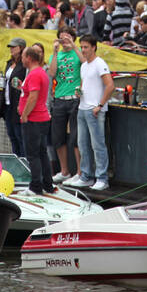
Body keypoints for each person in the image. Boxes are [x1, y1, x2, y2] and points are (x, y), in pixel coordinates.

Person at [68, 35, 114, 191]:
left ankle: (102, 178)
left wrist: (100, 105)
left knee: (98, 145)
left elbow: (110, 86)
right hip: (82, 108)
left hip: (94, 110)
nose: (83, 50)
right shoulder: (84, 66)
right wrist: (79, 92)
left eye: (86, 47)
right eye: (82, 47)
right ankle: (86, 176)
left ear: (94, 47)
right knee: (83, 144)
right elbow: (83, 84)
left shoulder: (100, 63)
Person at [18, 44, 55, 194]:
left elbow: (33, 97)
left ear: (29, 58)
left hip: (34, 119)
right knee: (42, 153)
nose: (21, 59)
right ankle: (47, 184)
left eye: (23, 56)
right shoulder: (40, 73)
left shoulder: (34, 74)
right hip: (41, 118)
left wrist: (24, 114)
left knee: (33, 154)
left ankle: (36, 186)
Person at [47, 29, 81, 183]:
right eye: (61, 39)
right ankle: (64, 171)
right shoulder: (57, 55)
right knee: (58, 137)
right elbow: (52, 73)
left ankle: (80, 172)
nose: (64, 41)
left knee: (75, 137)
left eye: (67, 38)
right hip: (60, 98)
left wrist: (73, 46)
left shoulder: (78, 52)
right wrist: (55, 52)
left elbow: (85, 63)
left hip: (75, 98)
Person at [0, 37, 27, 158]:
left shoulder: (24, 65)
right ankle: (16, 161)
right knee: (12, 135)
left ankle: (24, 162)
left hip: (17, 103)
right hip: (7, 103)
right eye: (11, 47)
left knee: (20, 136)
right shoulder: (9, 63)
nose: (11, 49)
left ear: (21, 48)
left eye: (14, 47)